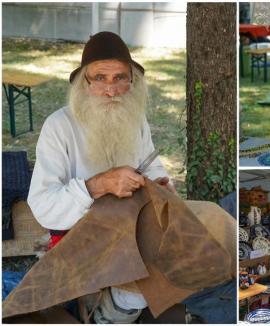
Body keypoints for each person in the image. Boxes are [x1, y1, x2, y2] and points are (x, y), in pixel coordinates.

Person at [27, 31, 175, 323]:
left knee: (186, 262)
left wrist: (162, 186)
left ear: (132, 80)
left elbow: (153, 166)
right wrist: (98, 185)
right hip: (82, 237)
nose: (112, 90)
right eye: (100, 78)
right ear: (84, 82)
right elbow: (43, 206)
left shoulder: (134, 116)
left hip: (133, 229)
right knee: (137, 292)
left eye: (120, 77)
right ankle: (103, 314)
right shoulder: (59, 126)